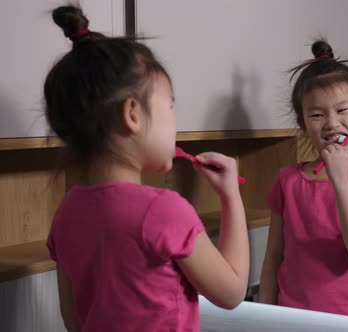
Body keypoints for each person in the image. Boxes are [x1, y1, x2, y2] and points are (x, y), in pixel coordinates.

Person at [44, 5, 249, 331]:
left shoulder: (66, 213)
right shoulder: (164, 209)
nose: (173, 123)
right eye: (170, 107)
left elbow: (74, 321)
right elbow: (232, 291)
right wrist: (230, 198)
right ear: (133, 115)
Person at [258, 39, 348, 320]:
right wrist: (264, 316)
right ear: (303, 124)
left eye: (342, 110)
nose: (331, 123)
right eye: (317, 114)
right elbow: (273, 258)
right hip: (292, 319)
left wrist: (341, 180)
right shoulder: (286, 180)